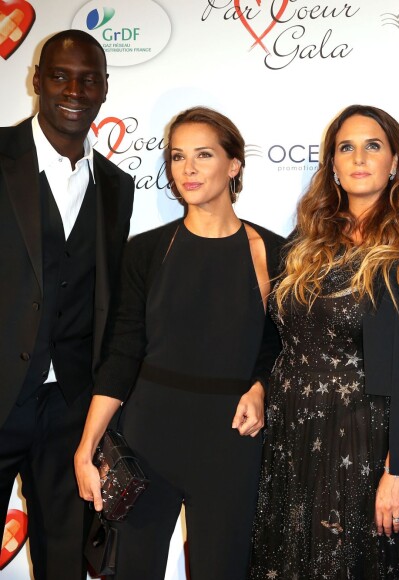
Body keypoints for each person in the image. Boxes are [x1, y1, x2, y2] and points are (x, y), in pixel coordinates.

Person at [74, 106, 285, 579]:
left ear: (234, 165)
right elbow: (123, 353)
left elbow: (281, 350)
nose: (187, 169)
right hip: (149, 439)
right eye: (177, 156)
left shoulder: (274, 253)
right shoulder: (146, 251)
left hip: (231, 442)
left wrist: (261, 388)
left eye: (204, 155)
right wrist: (86, 447)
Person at [250, 104, 399, 579]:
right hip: (291, 434)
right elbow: (277, 340)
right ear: (334, 167)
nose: (359, 157)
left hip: (363, 440)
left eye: (373, 146)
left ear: (395, 164)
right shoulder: (301, 245)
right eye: (347, 147)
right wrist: (259, 386)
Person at [0, 30, 134, 579]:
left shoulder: (117, 186)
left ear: (104, 89)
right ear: (36, 81)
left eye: (89, 79)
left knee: (64, 561)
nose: (75, 90)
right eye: (61, 75)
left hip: (70, 411)